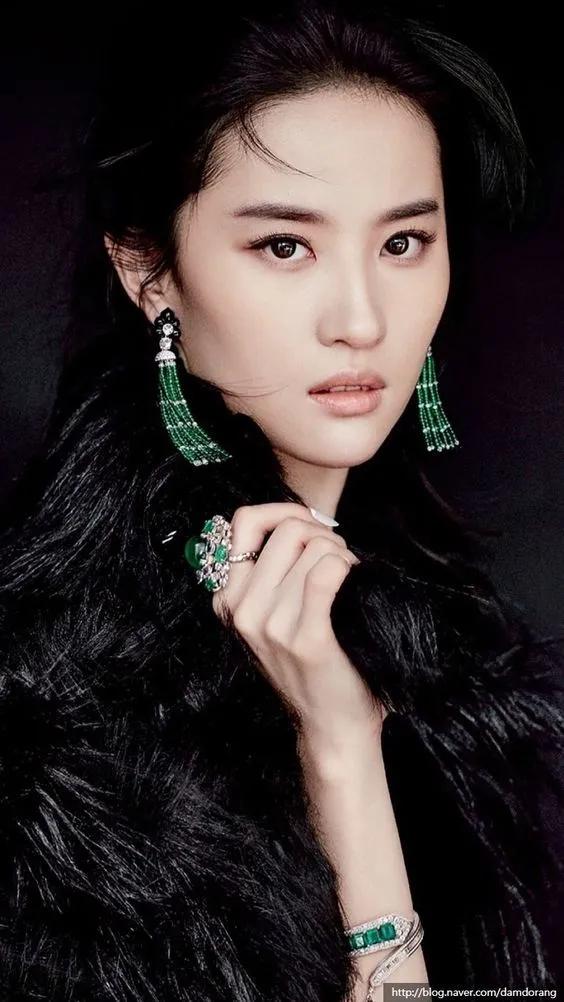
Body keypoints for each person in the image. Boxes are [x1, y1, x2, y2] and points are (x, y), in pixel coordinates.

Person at [0, 1, 562, 999]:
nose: (361, 320)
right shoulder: (63, 714)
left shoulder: (445, 631)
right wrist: (339, 752)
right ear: (149, 271)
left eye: (403, 243)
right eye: (285, 247)